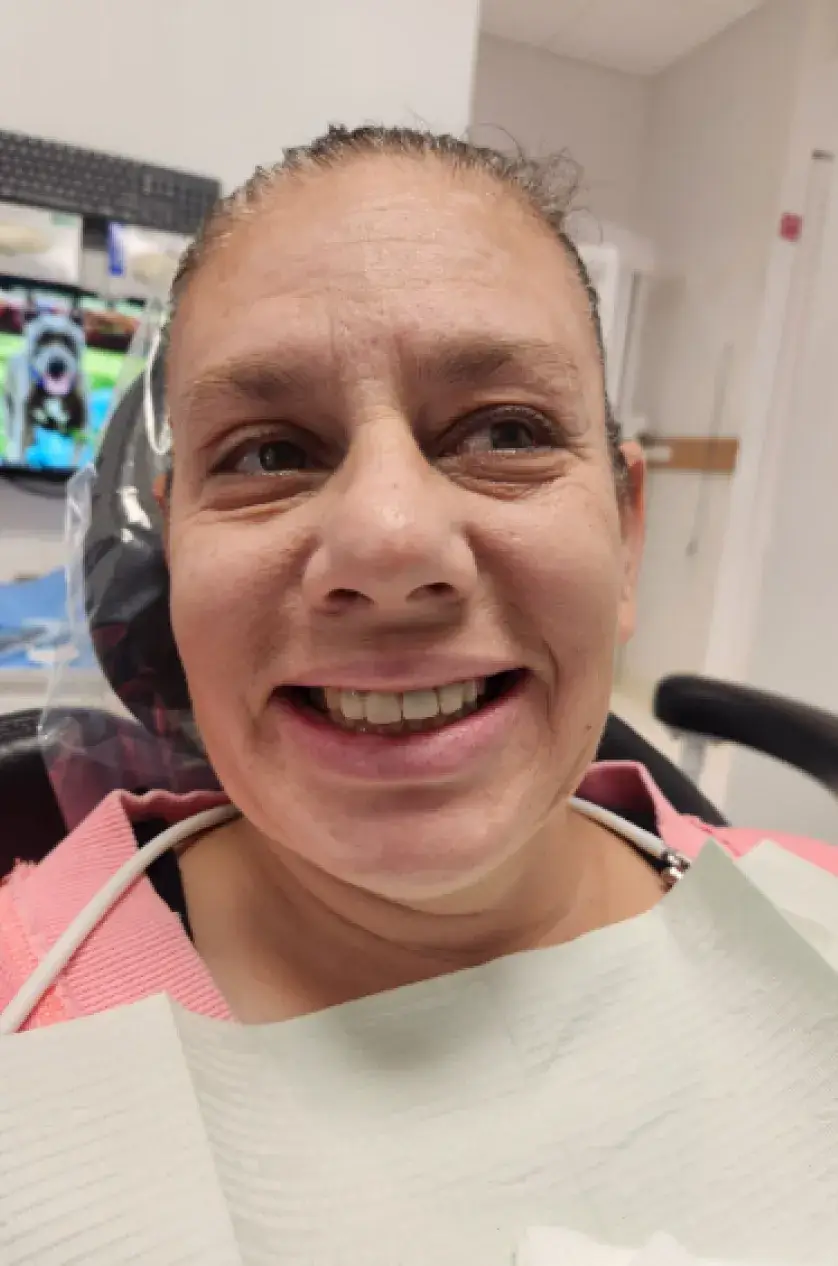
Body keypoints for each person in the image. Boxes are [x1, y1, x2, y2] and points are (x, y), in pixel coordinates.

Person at [0, 125, 835, 1034]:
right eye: (269, 453)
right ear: (173, 550)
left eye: (505, 435)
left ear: (625, 536)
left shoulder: (813, 922)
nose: (389, 542)